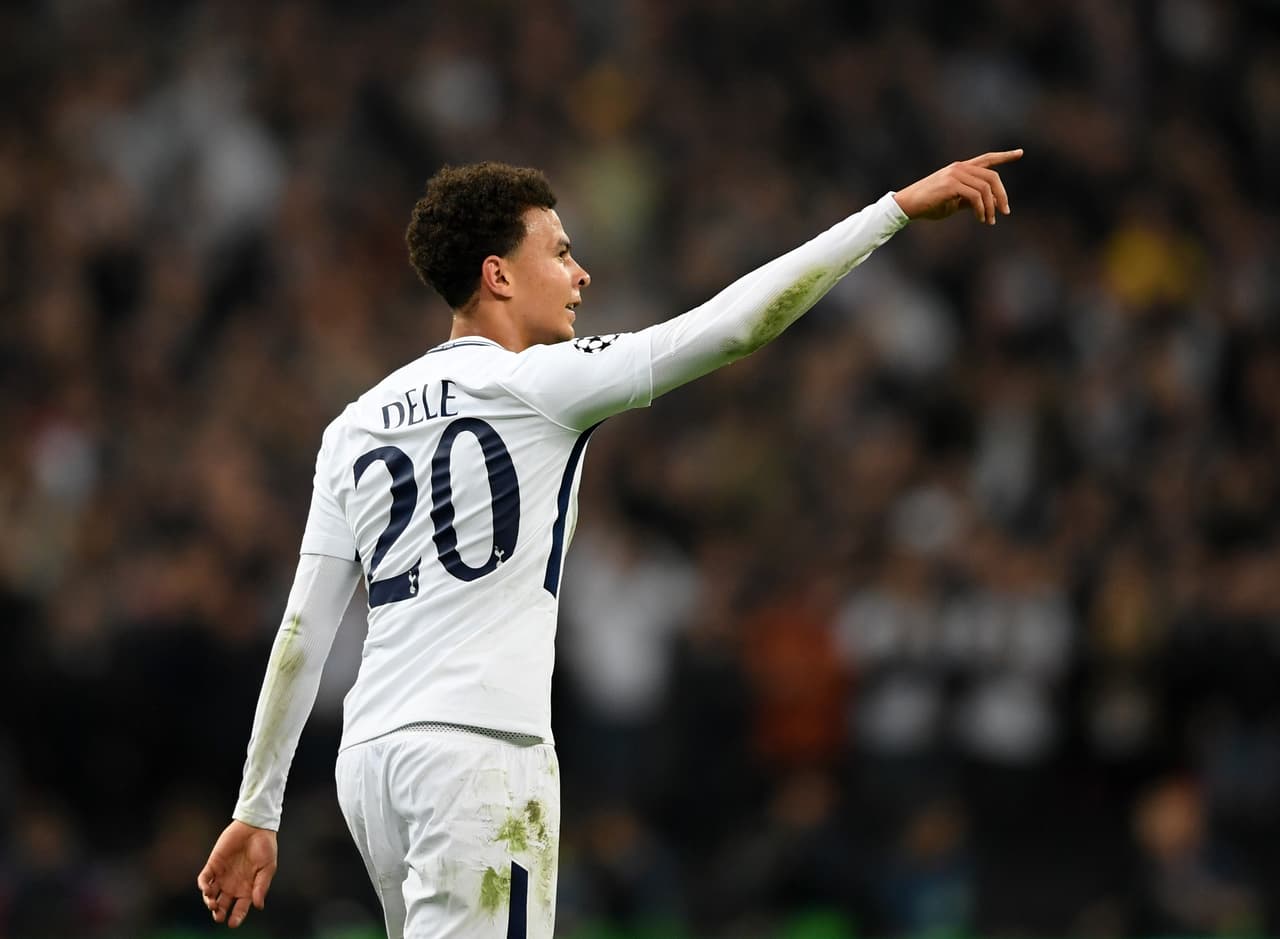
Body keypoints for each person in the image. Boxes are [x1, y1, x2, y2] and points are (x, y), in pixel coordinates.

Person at [197, 149, 1022, 938]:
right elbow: (735, 326)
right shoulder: (538, 385)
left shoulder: (353, 425)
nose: (580, 272)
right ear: (498, 274)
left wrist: (256, 808)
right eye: (559, 251)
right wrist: (891, 213)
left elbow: (302, 631)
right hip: (480, 755)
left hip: (372, 762)